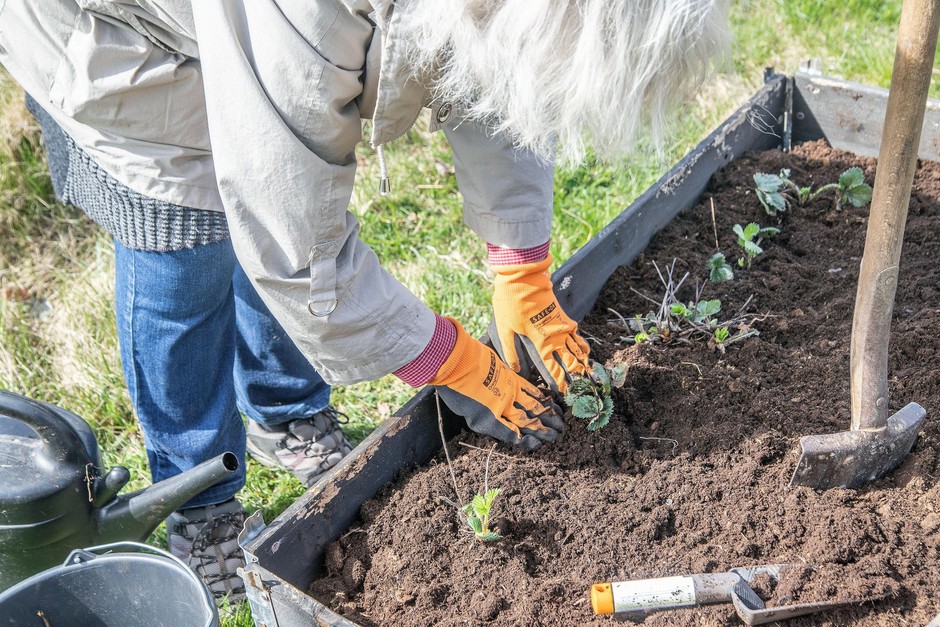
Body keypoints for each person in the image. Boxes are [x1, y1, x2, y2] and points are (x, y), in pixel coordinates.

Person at [0, 0, 728, 603]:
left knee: (273, 200)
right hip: (132, 37)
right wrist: (444, 356)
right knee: (187, 245)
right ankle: (202, 502)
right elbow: (289, 225)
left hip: (259, 39)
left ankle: (285, 413)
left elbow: (500, 73)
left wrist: (522, 267)